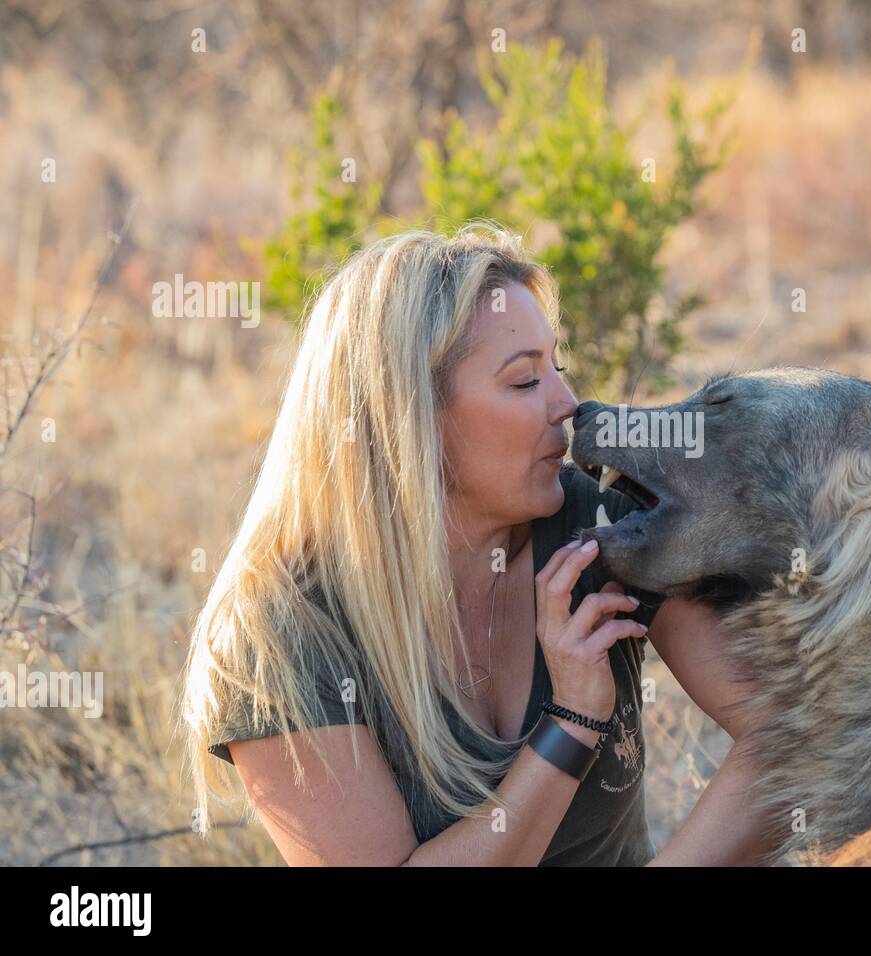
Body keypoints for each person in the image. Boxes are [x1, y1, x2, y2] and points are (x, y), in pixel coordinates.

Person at [179, 224, 773, 865]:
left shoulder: (595, 524)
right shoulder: (276, 635)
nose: (568, 404)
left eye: (558, 368)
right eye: (524, 382)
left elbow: (790, 734)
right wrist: (571, 721)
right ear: (409, 420)